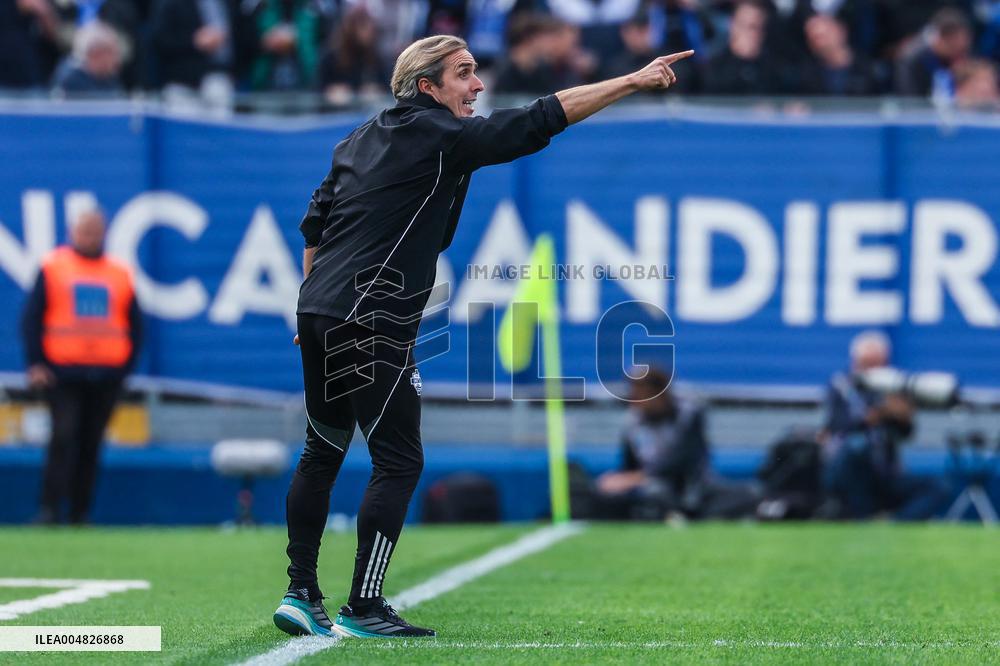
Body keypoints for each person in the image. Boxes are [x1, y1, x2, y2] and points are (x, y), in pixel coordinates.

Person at [273, 34, 693, 639]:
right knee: (398, 460)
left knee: (324, 451)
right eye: (464, 74)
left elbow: (314, 222)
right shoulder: (437, 134)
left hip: (318, 313)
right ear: (427, 87)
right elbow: (539, 119)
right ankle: (363, 606)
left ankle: (300, 591)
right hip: (370, 318)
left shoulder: (358, 139)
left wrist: (313, 303)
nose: (477, 85)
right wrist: (631, 81)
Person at [21, 209, 142, 525]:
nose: (90, 237)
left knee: (91, 443)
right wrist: (36, 363)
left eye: (95, 231)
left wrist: (124, 369)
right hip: (63, 372)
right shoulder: (54, 267)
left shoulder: (119, 273)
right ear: (73, 232)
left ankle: (79, 512)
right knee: (63, 436)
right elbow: (32, 318)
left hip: (105, 375)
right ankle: (49, 508)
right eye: (84, 231)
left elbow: (135, 326)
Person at [596, 368, 758, 521]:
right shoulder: (633, 422)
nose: (636, 400)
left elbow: (683, 459)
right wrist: (620, 480)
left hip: (693, 486)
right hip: (651, 488)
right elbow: (630, 464)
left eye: (641, 394)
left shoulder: (688, 414)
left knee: (749, 495)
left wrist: (638, 477)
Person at [821, 331, 946, 521]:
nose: (873, 370)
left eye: (878, 363)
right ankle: (862, 518)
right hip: (848, 473)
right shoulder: (840, 386)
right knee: (856, 447)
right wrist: (875, 415)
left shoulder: (892, 388)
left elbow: (905, 435)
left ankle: (893, 525)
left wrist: (903, 417)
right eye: (868, 364)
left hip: (883, 473)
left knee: (937, 487)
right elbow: (838, 426)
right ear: (856, 361)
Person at [51, 21, 125, 96]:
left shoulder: (110, 78)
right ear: (96, 52)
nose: (116, 59)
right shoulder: (71, 79)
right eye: (111, 52)